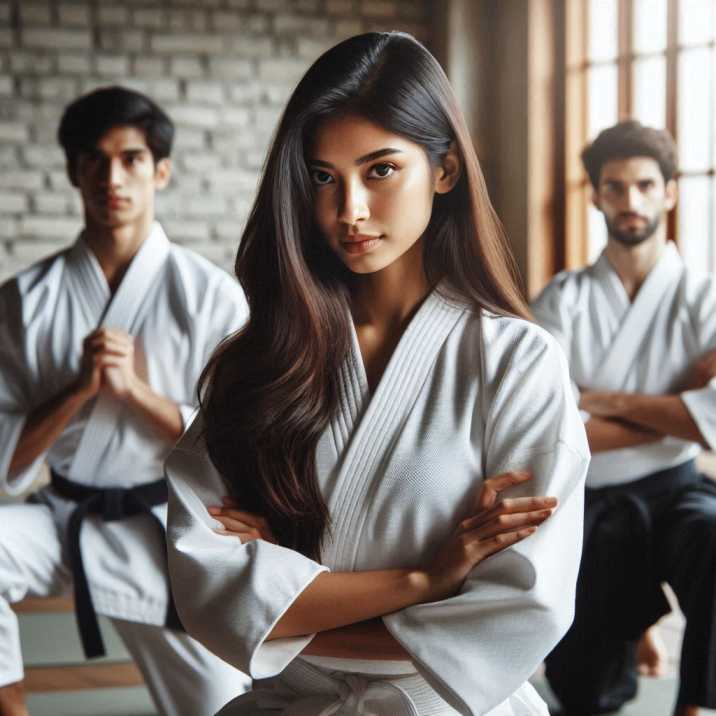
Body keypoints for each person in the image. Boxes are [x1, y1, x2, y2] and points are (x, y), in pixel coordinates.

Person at [166, 32, 589, 716]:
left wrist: (292, 600)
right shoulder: (260, 362)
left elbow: (520, 609)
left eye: (381, 170)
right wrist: (427, 578)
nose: (348, 211)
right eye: (323, 176)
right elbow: (206, 587)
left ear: (445, 170)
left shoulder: (517, 362)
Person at [0, 86, 250, 716]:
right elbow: (6, 462)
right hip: (61, 522)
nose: (113, 177)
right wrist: (77, 390)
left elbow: (239, 447)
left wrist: (135, 394)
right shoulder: (23, 300)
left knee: (223, 706)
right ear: (72, 171)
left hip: (168, 533)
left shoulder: (212, 296)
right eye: (94, 159)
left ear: (160, 170)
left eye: (132, 158)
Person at [532, 120, 716, 716]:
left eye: (644, 185)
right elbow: (548, 429)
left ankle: (693, 706)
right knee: (584, 683)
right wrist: (682, 405)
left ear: (669, 192)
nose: (629, 201)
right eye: (615, 187)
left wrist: (600, 398)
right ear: (595, 195)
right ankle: (622, 654)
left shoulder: (703, 298)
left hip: (676, 487)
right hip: (589, 497)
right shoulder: (563, 299)